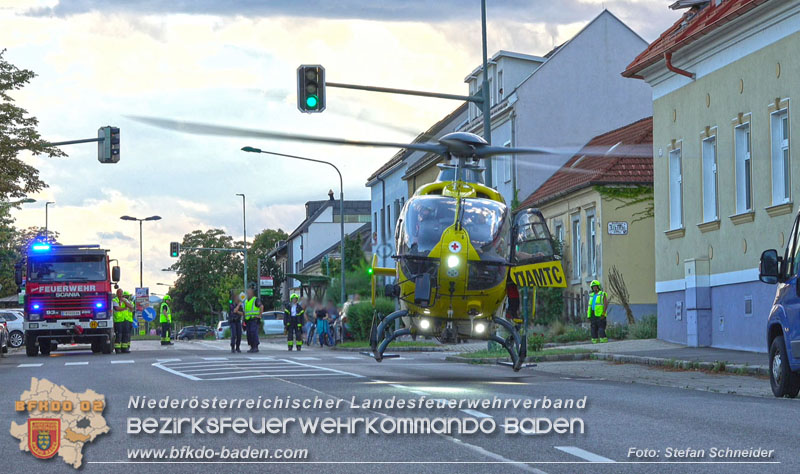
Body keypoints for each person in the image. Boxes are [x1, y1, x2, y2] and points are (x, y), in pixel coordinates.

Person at [243, 287, 263, 353]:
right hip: (248, 320)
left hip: (254, 319)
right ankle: (252, 347)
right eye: (247, 293)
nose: (248, 294)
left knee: (253, 333)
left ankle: (255, 347)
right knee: (249, 334)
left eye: (249, 292)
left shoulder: (255, 300)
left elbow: (261, 306)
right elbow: (245, 311)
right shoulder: (246, 301)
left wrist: (259, 316)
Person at [111, 289, 127, 354]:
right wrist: (125, 308)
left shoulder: (124, 300)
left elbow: (130, 307)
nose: (120, 294)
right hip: (117, 320)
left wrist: (125, 302)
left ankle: (124, 348)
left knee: (124, 334)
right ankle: (117, 349)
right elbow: (117, 308)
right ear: (117, 293)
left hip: (123, 320)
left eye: (121, 293)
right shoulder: (114, 300)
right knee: (118, 335)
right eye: (119, 293)